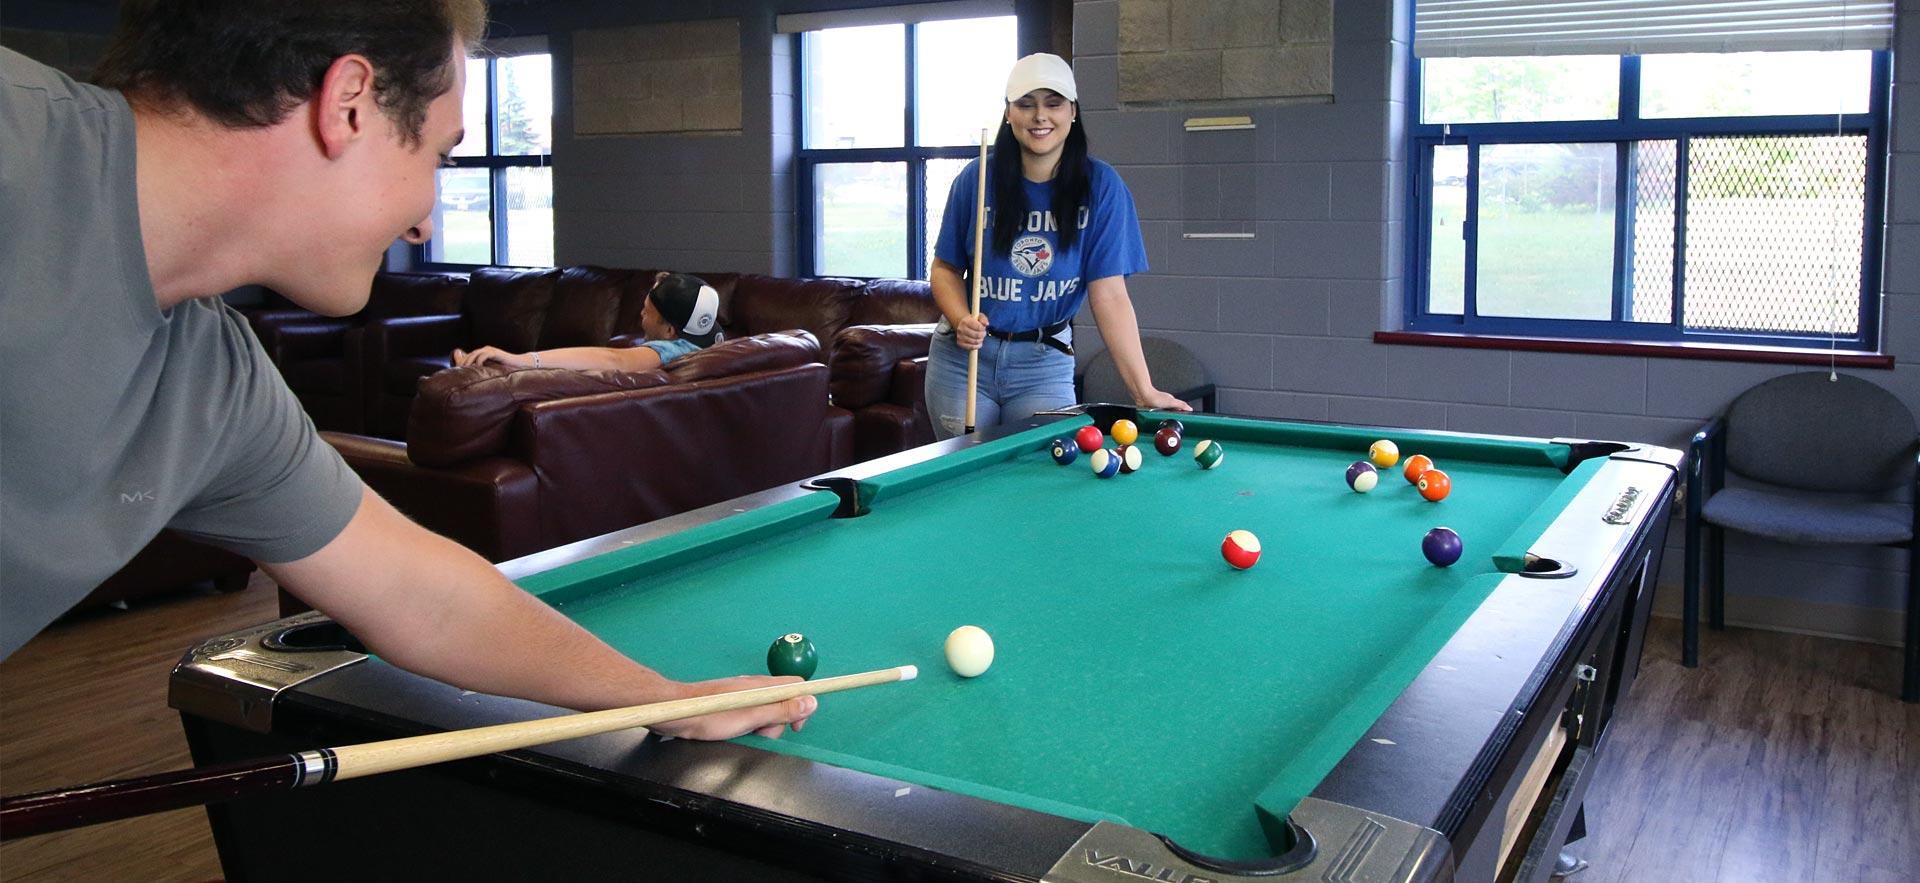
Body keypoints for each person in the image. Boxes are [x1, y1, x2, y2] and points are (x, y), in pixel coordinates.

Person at [0, 0, 814, 740]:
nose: (427, 219)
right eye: (437, 153)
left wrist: (663, 699)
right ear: (347, 103)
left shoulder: (213, 384)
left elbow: (423, 594)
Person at [924, 52, 1192, 439]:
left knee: (1036, 482)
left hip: (1043, 364)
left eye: (1053, 103)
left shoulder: (1101, 187)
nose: (1040, 117)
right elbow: (945, 268)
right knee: (966, 477)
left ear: (1073, 111)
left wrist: (1143, 391)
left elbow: (1111, 296)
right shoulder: (977, 178)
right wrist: (962, 316)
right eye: (1026, 104)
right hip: (963, 362)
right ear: (1008, 113)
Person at [452, 272, 721, 371]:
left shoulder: (672, 352)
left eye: (647, 311)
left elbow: (612, 360)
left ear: (670, 330)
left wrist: (521, 359)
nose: (640, 315)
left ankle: (477, 371)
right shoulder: (713, 341)